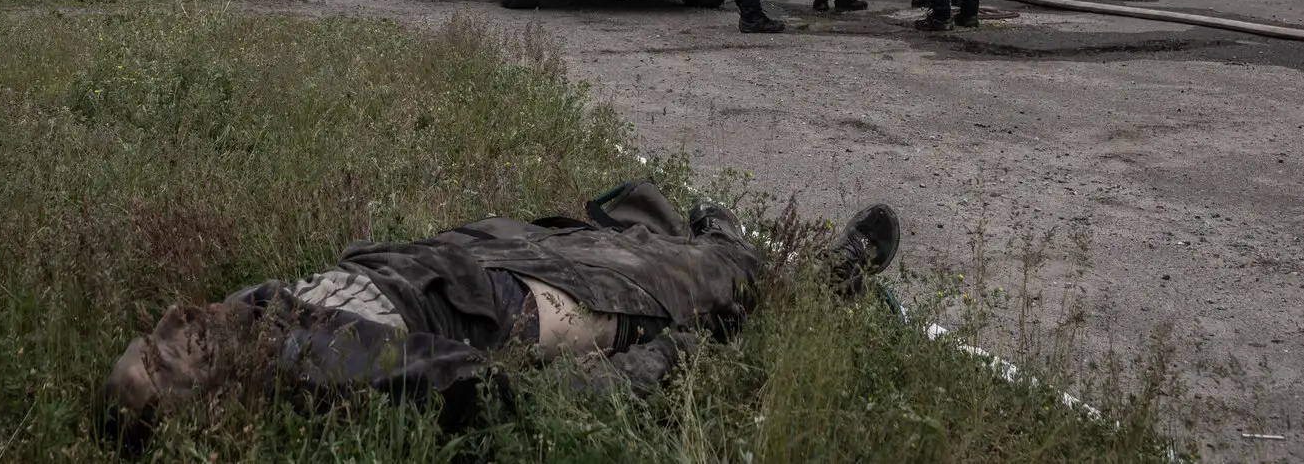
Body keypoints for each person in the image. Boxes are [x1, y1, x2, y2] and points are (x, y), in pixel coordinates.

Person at [97, 179, 900, 451]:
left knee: (624, 218)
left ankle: (710, 242)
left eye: (152, 338)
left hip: (482, 254)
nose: (173, 324)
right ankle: (816, 278)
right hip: (540, 299)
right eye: (166, 364)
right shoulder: (310, 360)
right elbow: (488, 396)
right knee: (696, 279)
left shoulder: (247, 317)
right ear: (199, 414)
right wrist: (652, 364)